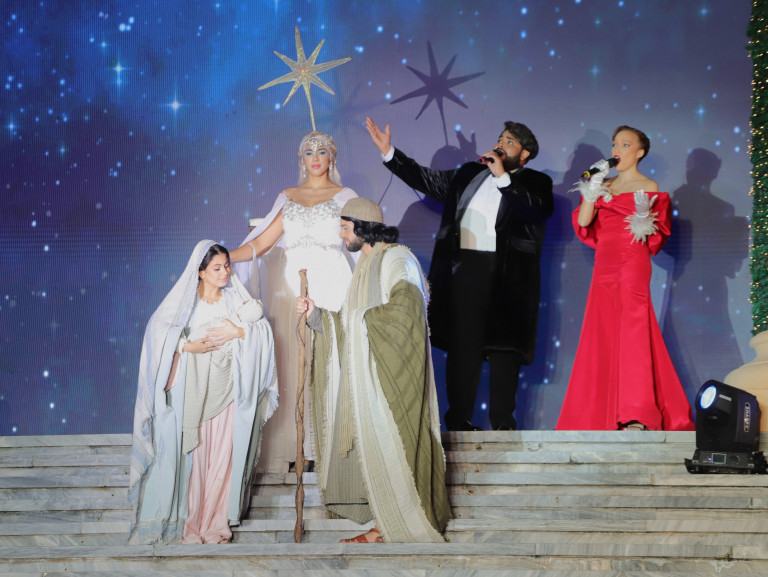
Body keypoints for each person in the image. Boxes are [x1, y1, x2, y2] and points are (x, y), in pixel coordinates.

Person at [365, 117, 554, 431]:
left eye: (510, 142)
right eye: (500, 138)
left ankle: (503, 423)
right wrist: (389, 153)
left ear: (524, 155)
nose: (500, 144)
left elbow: (537, 209)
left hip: (509, 273)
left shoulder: (536, 182)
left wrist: (503, 177)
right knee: (464, 344)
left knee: (504, 349)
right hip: (466, 267)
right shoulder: (469, 173)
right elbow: (427, 179)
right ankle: (459, 419)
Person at [296, 197, 451, 543]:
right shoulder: (364, 267)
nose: (341, 235)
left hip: (390, 374)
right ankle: (382, 522)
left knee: (396, 445)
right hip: (370, 375)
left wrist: (358, 322)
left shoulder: (397, 259)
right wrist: (316, 315)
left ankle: (396, 525)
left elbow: (406, 311)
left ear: (364, 228)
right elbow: (347, 324)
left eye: (345, 228)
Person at [128, 241, 278, 544]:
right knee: (195, 459)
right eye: (217, 268)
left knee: (224, 457)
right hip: (194, 392)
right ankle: (192, 525)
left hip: (229, 390)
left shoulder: (234, 299)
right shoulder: (187, 303)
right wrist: (186, 346)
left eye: (227, 266)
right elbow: (158, 332)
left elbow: (261, 329)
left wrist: (239, 331)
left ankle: (216, 525)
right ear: (200, 272)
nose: (225, 273)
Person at [230, 131, 357, 472]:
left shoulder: (345, 197)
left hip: (331, 285)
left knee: (327, 359)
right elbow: (261, 244)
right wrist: (224, 255)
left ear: (332, 157)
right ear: (301, 159)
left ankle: (328, 446)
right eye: (308, 152)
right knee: (292, 363)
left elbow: (360, 240)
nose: (315, 157)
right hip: (292, 288)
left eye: (322, 151)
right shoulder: (287, 197)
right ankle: (297, 446)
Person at [556, 126, 694, 431]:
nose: (617, 150)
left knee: (633, 330)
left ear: (640, 152)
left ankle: (636, 412)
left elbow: (652, 237)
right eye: (615, 144)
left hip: (633, 261)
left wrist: (644, 219)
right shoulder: (604, 184)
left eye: (625, 144)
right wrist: (592, 189)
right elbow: (584, 221)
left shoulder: (649, 185)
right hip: (604, 264)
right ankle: (598, 412)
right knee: (601, 329)